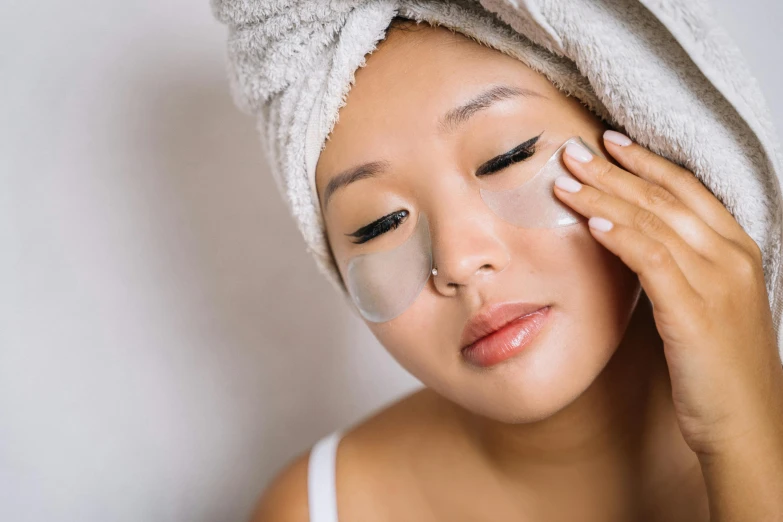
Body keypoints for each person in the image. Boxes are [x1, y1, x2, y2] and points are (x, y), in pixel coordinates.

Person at [252, 17, 783, 522]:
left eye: (507, 157)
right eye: (379, 224)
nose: (458, 261)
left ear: (639, 137)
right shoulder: (315, 509)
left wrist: (745, 440)